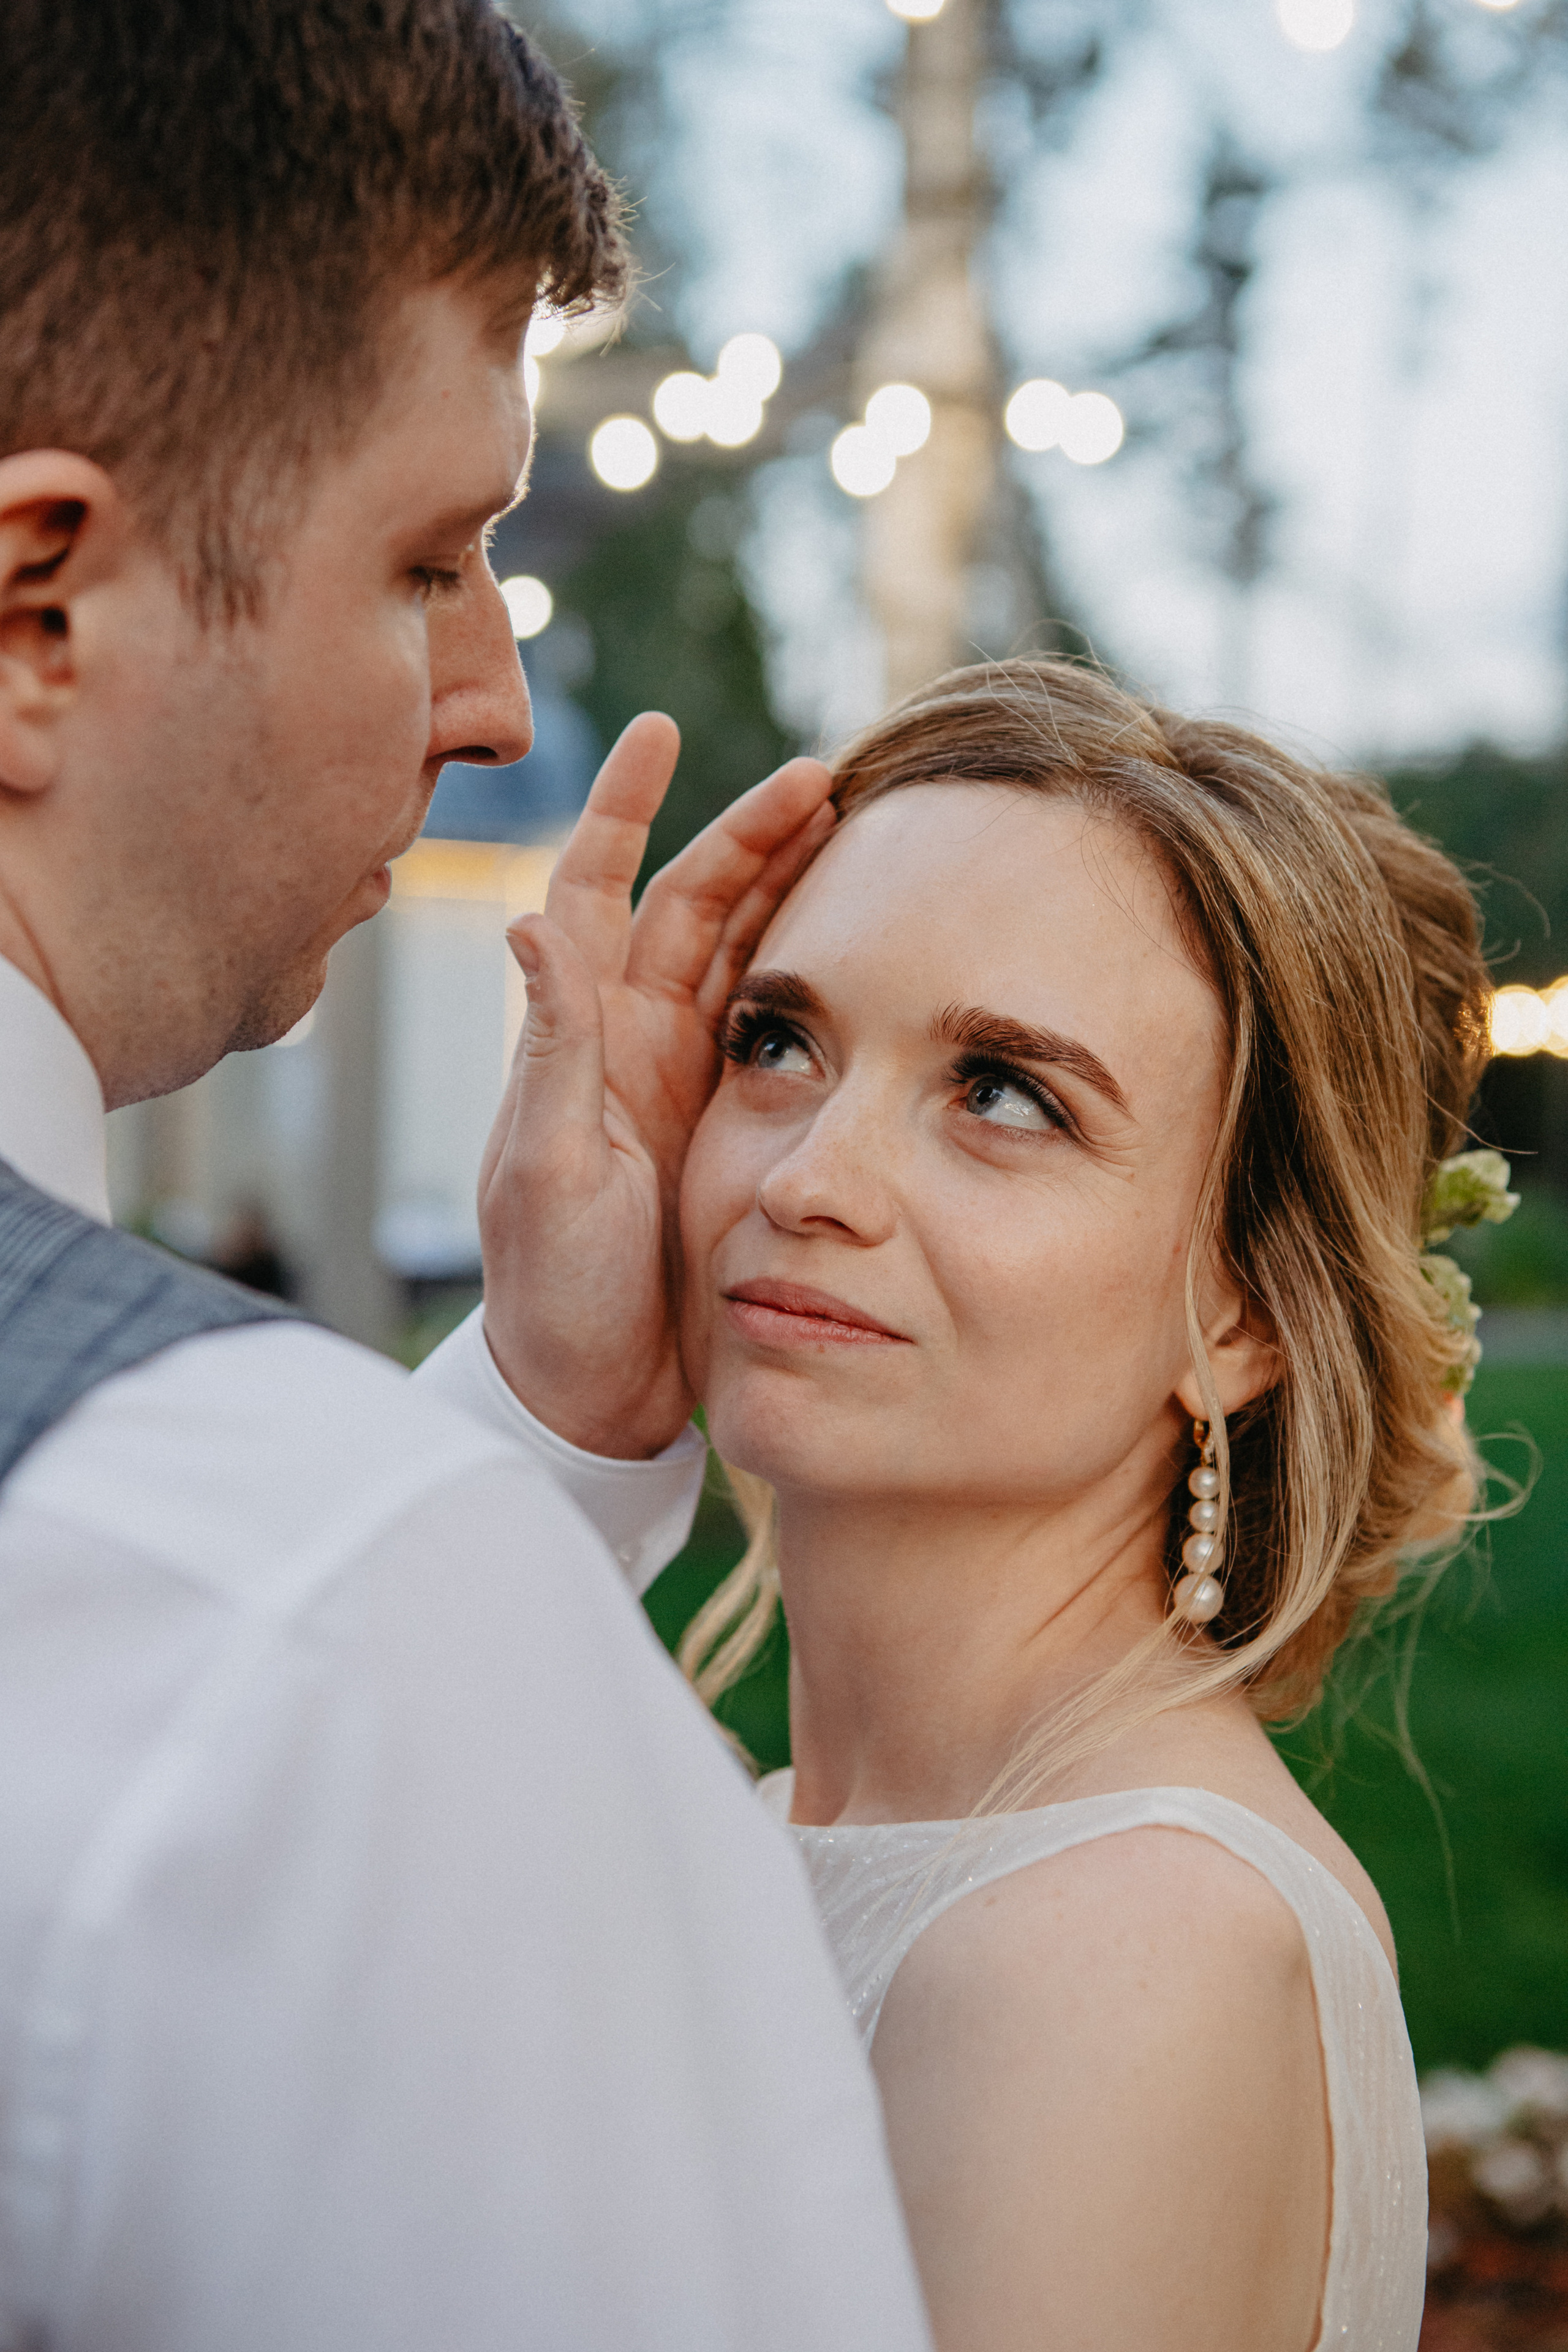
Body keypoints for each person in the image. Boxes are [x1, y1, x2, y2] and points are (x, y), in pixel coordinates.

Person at [0, 6, 932, 2347]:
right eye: (431, 555)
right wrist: (419, 1539)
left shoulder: (282, 1590)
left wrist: (536, 1405)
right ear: (38, 605)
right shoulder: (323, 1629)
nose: (501, 697)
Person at [635, 655, 1493, 2352]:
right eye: (777, 1041)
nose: (807, 1182)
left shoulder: (1115, 1951)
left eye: (1005, 1094)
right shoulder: (782, 1827)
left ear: (1242, 1312)